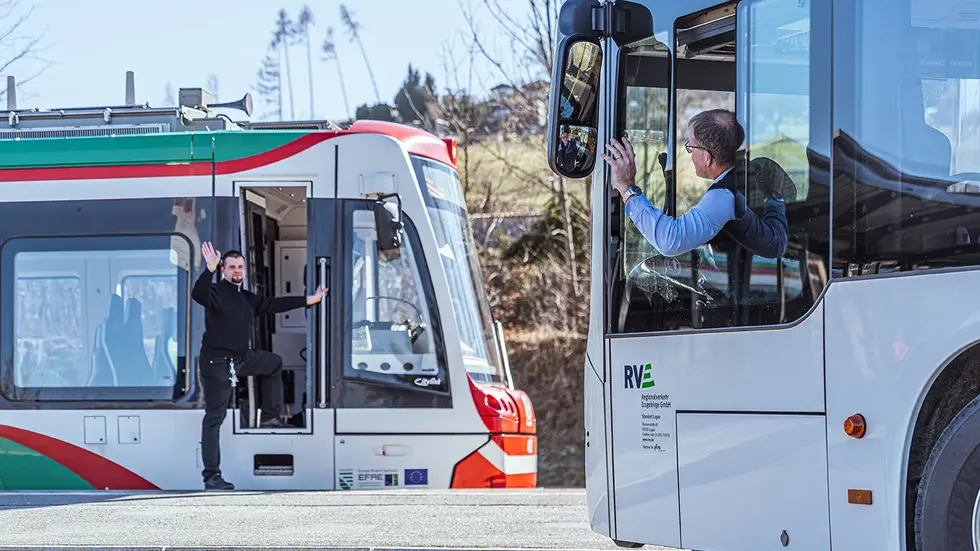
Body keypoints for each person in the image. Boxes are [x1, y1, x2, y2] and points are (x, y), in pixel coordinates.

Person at [192, 242, 327, 490]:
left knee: (273, 363)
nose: (236, 271)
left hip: (242, 360)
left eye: (240, 267)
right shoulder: (214, 292)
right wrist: (208, 269)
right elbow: (197, 294)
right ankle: (212, 476)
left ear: (245, 270)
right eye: (231, 267)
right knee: (214, 419)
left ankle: (269, 417)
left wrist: (311, 300)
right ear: (223, 269)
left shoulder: (246, 298)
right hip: (217, 364)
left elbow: (274, 304)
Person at [602, 108, 789, 259]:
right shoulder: (750, 173)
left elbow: (670, 240)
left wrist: (626, 188)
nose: (689, 153)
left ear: (707, 158)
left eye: (690, 147)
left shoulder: (724, 197)